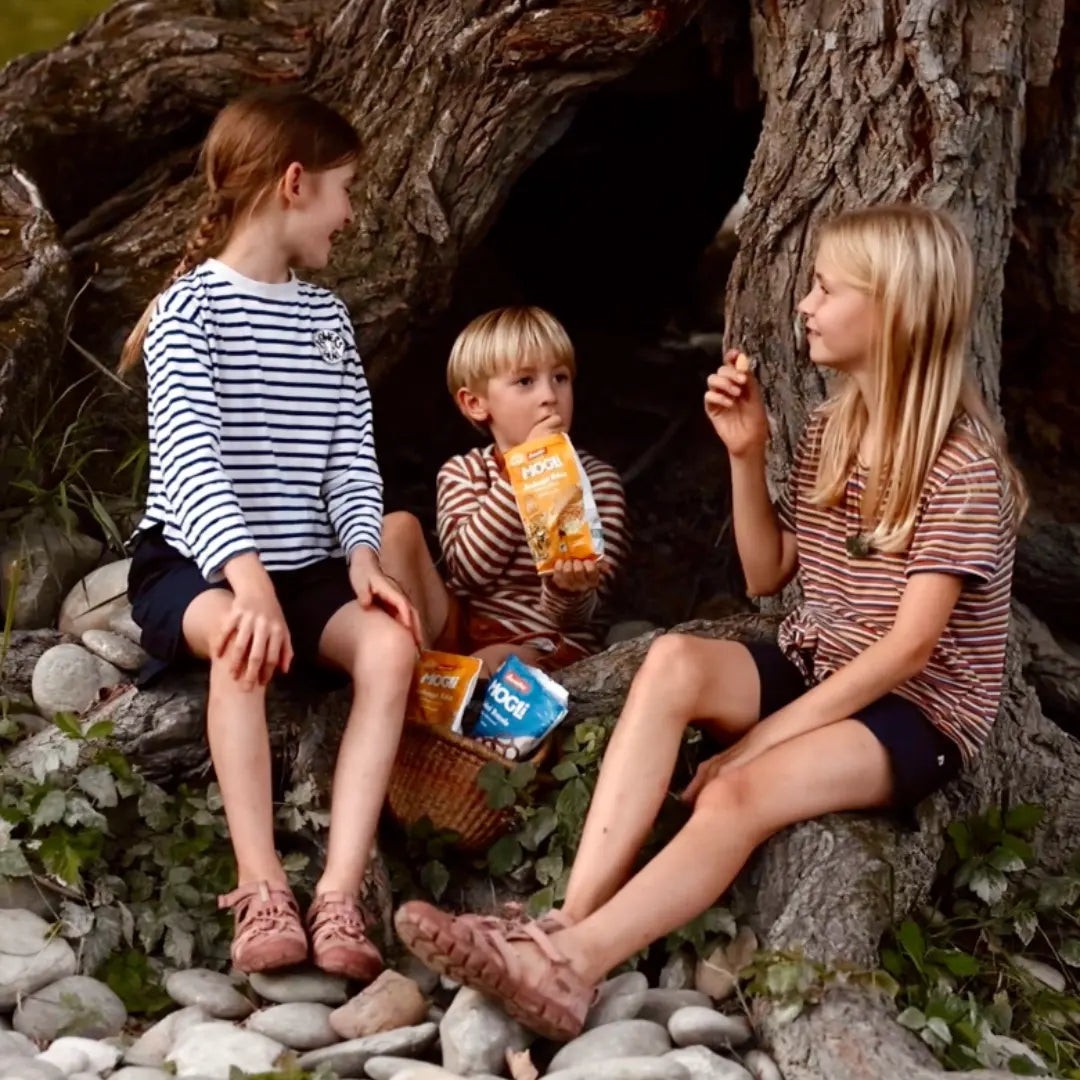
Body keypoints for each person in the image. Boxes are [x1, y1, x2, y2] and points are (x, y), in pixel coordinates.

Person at [391, 204, 1026, 1040]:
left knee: (737, 789)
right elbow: (768, 575)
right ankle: (557, 926)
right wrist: (744, 451)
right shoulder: (836, 428)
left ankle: (574, 971)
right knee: (673, 663)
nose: (804, 303)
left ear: (893, 310)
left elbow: (910, 651)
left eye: (827, 289)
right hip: (821, 659)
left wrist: (762, 740)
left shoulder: (961, 465)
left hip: (916, 711)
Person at [120, 91, 420, 980]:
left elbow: (348, 461)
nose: (352, 213)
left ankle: (338, 891)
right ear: (295, 184)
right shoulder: (188, 314)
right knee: (243, 643)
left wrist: (363, 557)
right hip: (198, 563)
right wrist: (246, 583)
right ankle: (261, 889)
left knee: (392, 650)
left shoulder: (326, 322)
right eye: (344, 190)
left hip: (308, 565)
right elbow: (191, 464)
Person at [380, 306, 629, 673]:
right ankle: (410, 672)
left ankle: (450, 692)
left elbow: (584, 616)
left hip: (540, 640)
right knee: (395, 529)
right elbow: (468, 572)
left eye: (560, 378)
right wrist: (522, 474)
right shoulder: (464, 472)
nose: (549, 395)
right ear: (475, 404)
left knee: (495, 663)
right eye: (526, 381)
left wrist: (567, 588)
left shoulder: (599, 482)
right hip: (460, 626)